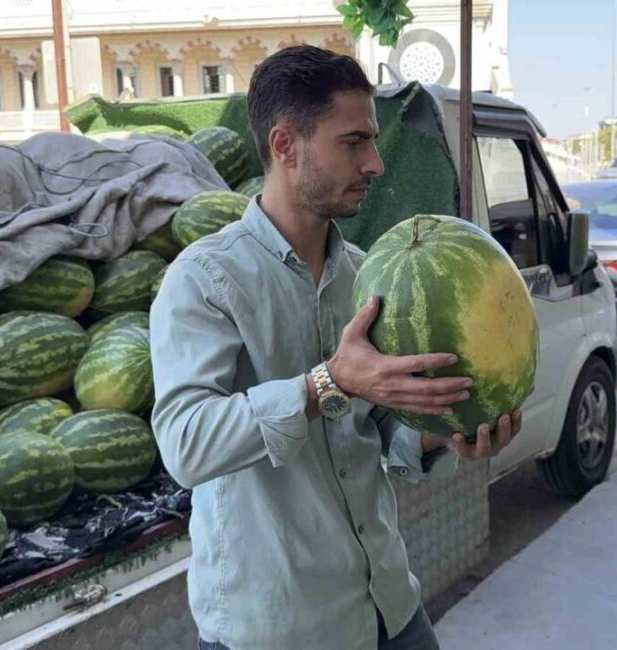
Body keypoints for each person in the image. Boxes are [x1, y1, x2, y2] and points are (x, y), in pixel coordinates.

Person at [149, 45, 524, 650]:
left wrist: (445, 434)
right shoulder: (204, 279)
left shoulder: (366, 273)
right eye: (354, 142)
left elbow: (372, 429)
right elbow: (187, 446)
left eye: (372, 140)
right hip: (281, 626)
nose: (375, 163)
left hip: (387, 602)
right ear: (285, 145)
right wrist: (329, 381)